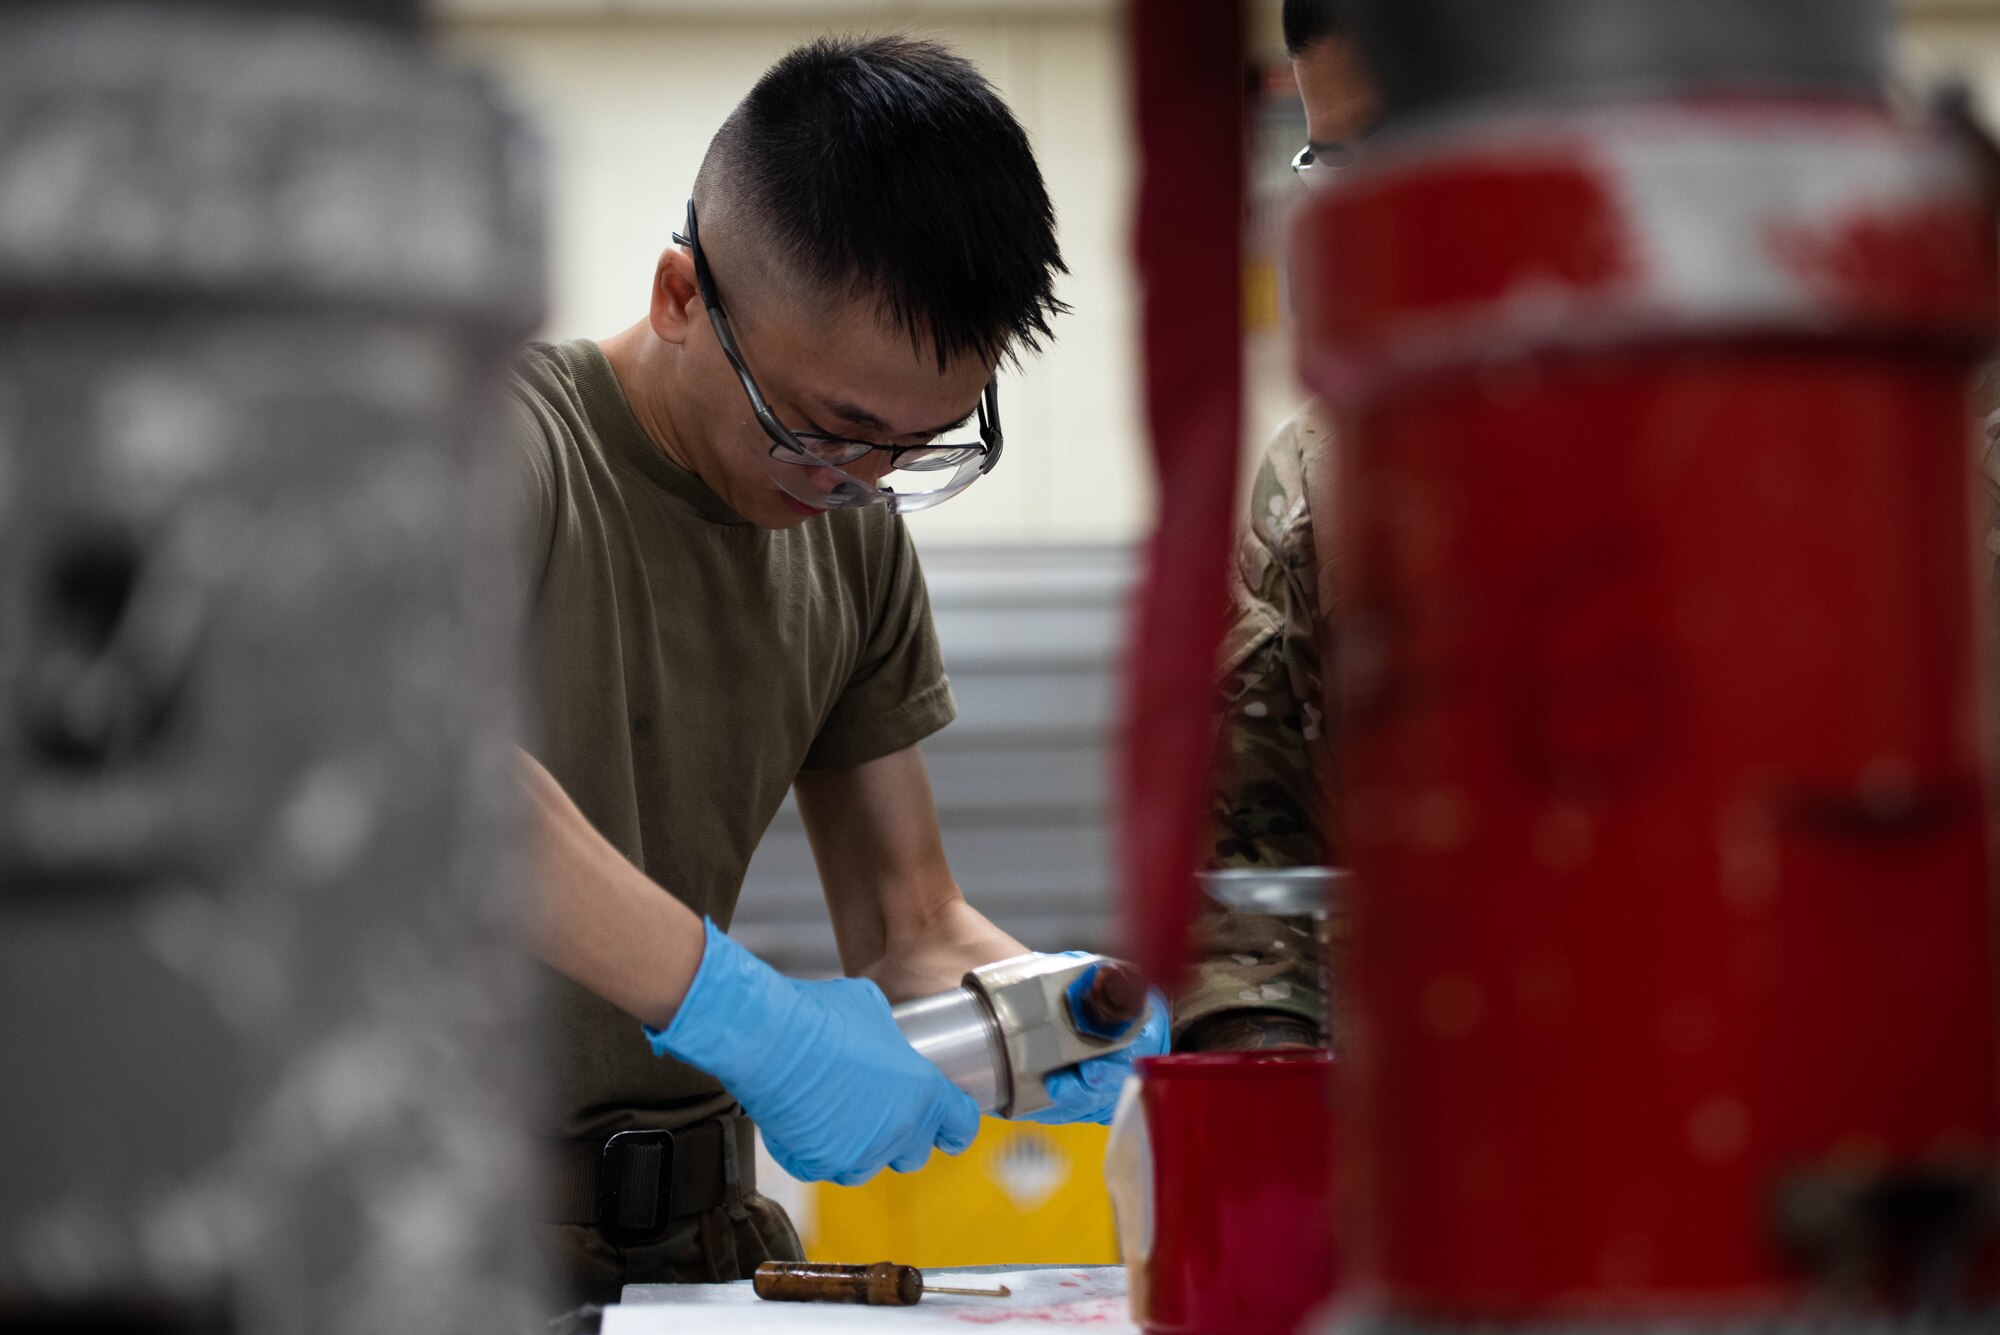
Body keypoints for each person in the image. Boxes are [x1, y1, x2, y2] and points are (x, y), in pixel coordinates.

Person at [505, 36, 1167, 1303]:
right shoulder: (510, 455)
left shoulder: (848, 536)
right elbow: (425, 776)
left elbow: (907, 921)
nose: (854, 485)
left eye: (912, 448)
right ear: (680, 295)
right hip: (445, 1234)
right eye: (821, 430)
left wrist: (1045, 1016)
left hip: (700, 1248)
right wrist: (745, 1017)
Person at [1176, 0, 1378, 1053]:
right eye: (1335, 169)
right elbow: (1252, 879)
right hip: (1449, 1130)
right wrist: (1254, 1095)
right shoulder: (1315, 477)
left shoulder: (1913, 444)